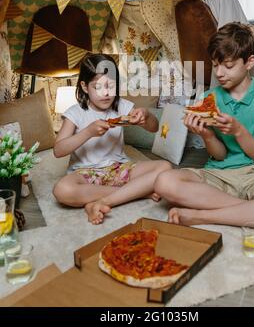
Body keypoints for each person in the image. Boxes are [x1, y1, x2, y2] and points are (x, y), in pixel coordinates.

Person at [154, 22, 254, 232]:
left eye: (228, 65)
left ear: (249, 62)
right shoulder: (209, 98)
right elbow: (220, 155)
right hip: (218, 175)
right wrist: (206, 134)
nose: (220, 73)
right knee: (164, 182)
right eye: (215, 65)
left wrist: (237, 130)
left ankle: (202, 216)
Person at [53, 53, 171, 224]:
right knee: (62, 190)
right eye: (98, 87)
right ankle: (136, 192)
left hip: (120, 168)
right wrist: (88, 132)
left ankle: (98, 200)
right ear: (85, 87)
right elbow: (58, 150)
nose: (106, 93)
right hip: (85, 173)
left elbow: (154, 128)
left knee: (165, 167)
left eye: (111, 86)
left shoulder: (122, 106)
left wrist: (146, 115)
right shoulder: (75, 112)